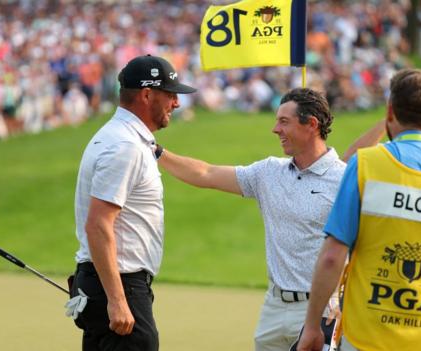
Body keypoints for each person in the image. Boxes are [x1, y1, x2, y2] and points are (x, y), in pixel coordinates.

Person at [157, 87, 385, 351]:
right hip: (273, 309)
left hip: (322, 310)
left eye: (284, 121)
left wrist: (385, 122)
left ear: (311, 124)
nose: (275, 129)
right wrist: (157, 152)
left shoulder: (344, 178)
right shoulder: (268, 172)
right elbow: (205, 174)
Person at [298, 68, 421, 351]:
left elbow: (333, 257)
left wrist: (311, 327)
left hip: (365, 337)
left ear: (390, 112)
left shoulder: (365, 165)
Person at [70, 54, 196, 351]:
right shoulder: (125, 146)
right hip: (120, 284)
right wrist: (116, 300)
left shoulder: (125, 139)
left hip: (108, 282)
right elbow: (98, 225)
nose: (176, 103)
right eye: (170, 95)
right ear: (147, 94)